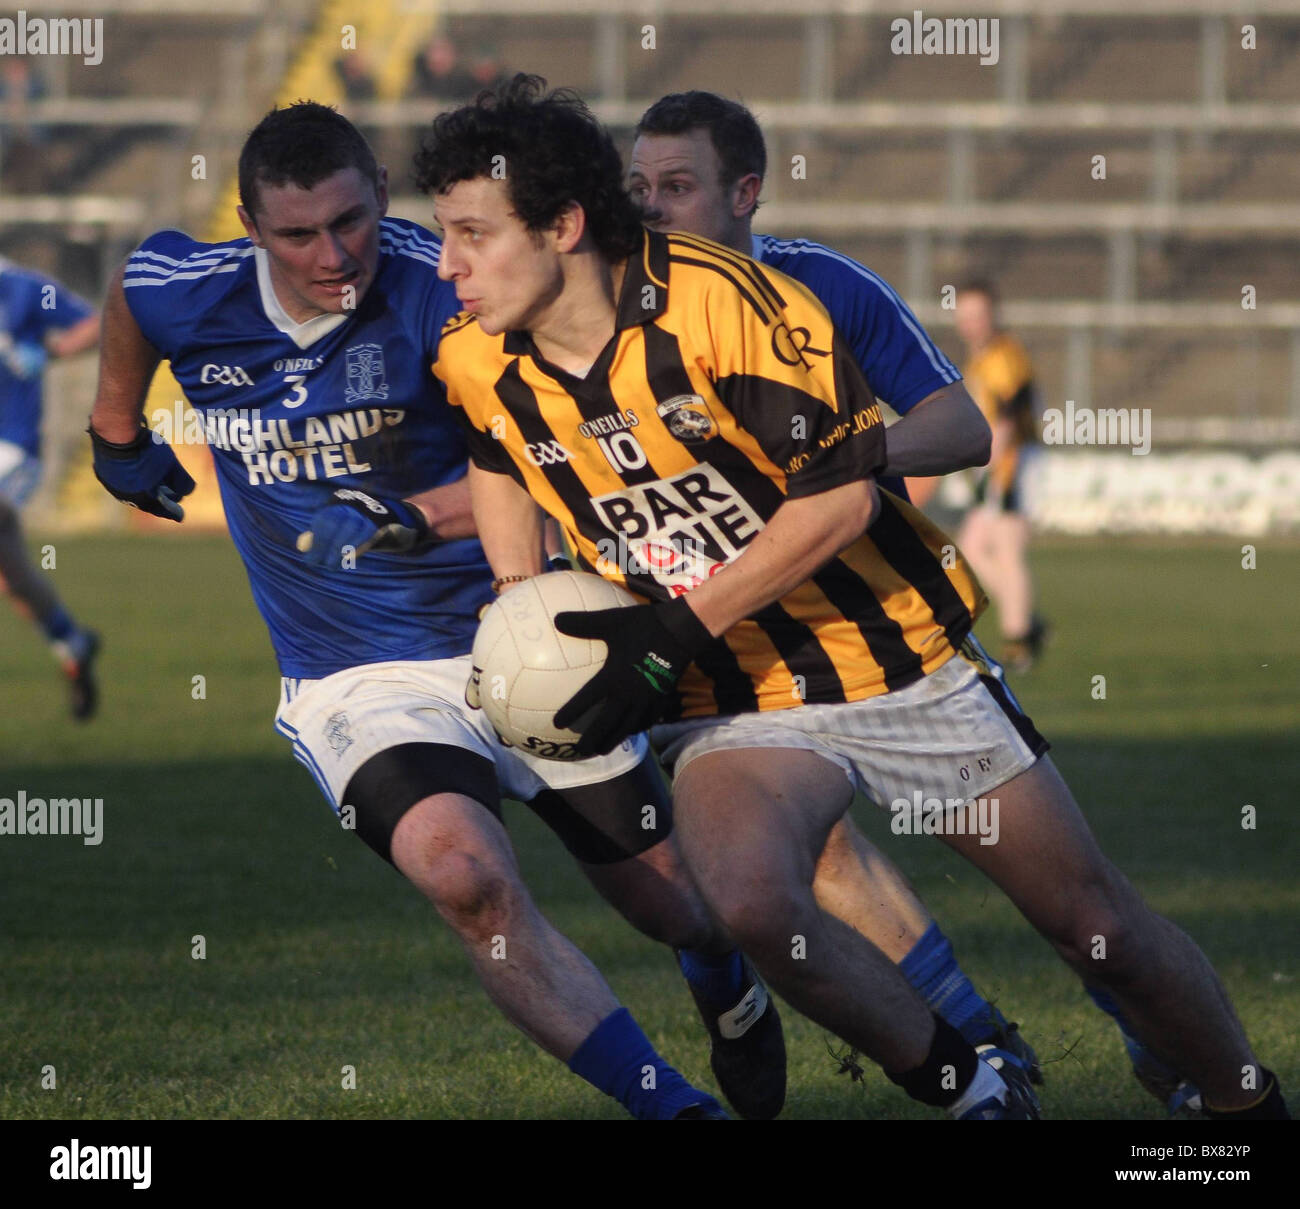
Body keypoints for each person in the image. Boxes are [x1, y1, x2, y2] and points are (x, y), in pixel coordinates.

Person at [425, 75, 1289, 1122]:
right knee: (749, 902)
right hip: (733, 694)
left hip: (894, 655)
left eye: (472, 234)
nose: (447, 264)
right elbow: (499, 457)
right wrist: (521, 604)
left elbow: (838, 506)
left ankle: (1242, 1101)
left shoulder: (732, 303)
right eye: (443, 233)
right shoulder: (476, 357)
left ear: (561, 225)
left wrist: (670, 629)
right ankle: (969, 1084)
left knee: (1088, 923)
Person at [85, 101, 787, 1121]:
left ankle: (721, 975)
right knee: (464, 879)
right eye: (297, 235)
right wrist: (115, 435)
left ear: (378, 188)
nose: (334, 255)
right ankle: (673, 1109)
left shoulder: (446, 293)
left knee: (679, 902)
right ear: (247, 225)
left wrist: (400, 513)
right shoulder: (181, 289)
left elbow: (548, 465)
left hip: (522, 636)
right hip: (354, 673)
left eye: (351, 220)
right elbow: (129, 302)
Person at [628, 89, 1045, 1074]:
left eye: (675, 187)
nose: (649, 209)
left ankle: (1178, 1059)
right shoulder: (604, 304)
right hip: (717, 638)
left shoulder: (819, 286)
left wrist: (838, 460)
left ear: (746, 193)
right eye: (635, 188)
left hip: (876, 623)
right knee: (802, 858)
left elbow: (961, 429)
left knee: (1073, 905)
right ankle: (975, 1042)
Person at [0, 256, 101, 718]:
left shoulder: (23, 288)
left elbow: (99, 321)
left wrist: (53, 353)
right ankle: (72, 643)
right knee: (13, 578)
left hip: (12, 448)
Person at [947, 280, 1047, 673]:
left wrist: (988, 465)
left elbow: (1007, 418)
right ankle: (1024, 619)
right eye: (964, 315)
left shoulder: (1004, 356)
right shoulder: (983, 356)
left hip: (1013, 462)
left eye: (978, 315)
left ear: (993, 316)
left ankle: (1019, 640)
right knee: (971, 546)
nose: (970, 323)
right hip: (998, 463)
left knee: (1006, 548)